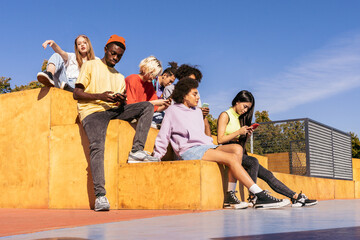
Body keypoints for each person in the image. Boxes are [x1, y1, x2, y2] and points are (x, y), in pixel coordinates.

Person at [153, 78, 290, 209]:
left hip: (205, 147)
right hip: (189, 150)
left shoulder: (197, 112)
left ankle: (230, 195)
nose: (198, 97)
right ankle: (258, 194)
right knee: (231, 158)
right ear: (184, 94)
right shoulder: (172, 111)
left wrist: (210, 141)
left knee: (237, 149)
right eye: (195, 94)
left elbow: (202, 135)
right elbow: (163, 135)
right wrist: (156, 157)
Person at [73, 35, 158, 212]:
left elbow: (121, 105)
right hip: (92, 112)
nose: (115, 58)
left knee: (147, 106)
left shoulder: (120, 77)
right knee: (97, 147)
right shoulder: (90, 65)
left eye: (119, 56)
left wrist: (121, 101)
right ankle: (100, 196)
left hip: (113, 110)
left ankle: (136, 151)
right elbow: (77, 93)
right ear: (105, 49)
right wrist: (100, 96)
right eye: (113, 53)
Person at [217, 90, 318, 208]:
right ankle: (254, 197)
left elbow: (238, 141)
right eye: (244, 107)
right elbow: (220, 139)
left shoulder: (240, 118)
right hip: (228, 152)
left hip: (239, 152)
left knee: (268, 174)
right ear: (237, 101)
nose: (245, 110)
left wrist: (246, 135)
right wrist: (239, 132)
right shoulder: (225, 115)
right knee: (253, 161)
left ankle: (295, 197)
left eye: (248, 109)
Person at [163, 64, 211, 136]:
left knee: (205, 120)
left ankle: (209, 144)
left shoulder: (195, 93)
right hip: (177, 118)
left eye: (194, 81)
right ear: (182, 78)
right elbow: (170, 108)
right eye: (189, 80)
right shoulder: (170, 89)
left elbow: (198, 107)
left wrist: (202, 111)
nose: (191, 83)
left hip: (193, 118)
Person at [125, 56, 171, 124]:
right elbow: (131, 107)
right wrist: (155, 102)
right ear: (144, 69)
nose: (153, 77)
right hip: (128, 115)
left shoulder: (149, 84)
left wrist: (165, 105)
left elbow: (156, 108)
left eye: (156, 75)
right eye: (152, 74)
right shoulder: (132, 79)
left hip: (139, 116)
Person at [151, 62, 178, 128]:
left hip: (159, 112)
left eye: (172, 83)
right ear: (165, 75)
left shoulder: (164, 88)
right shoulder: (152, 81)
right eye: (170, 81)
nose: (170, 84)